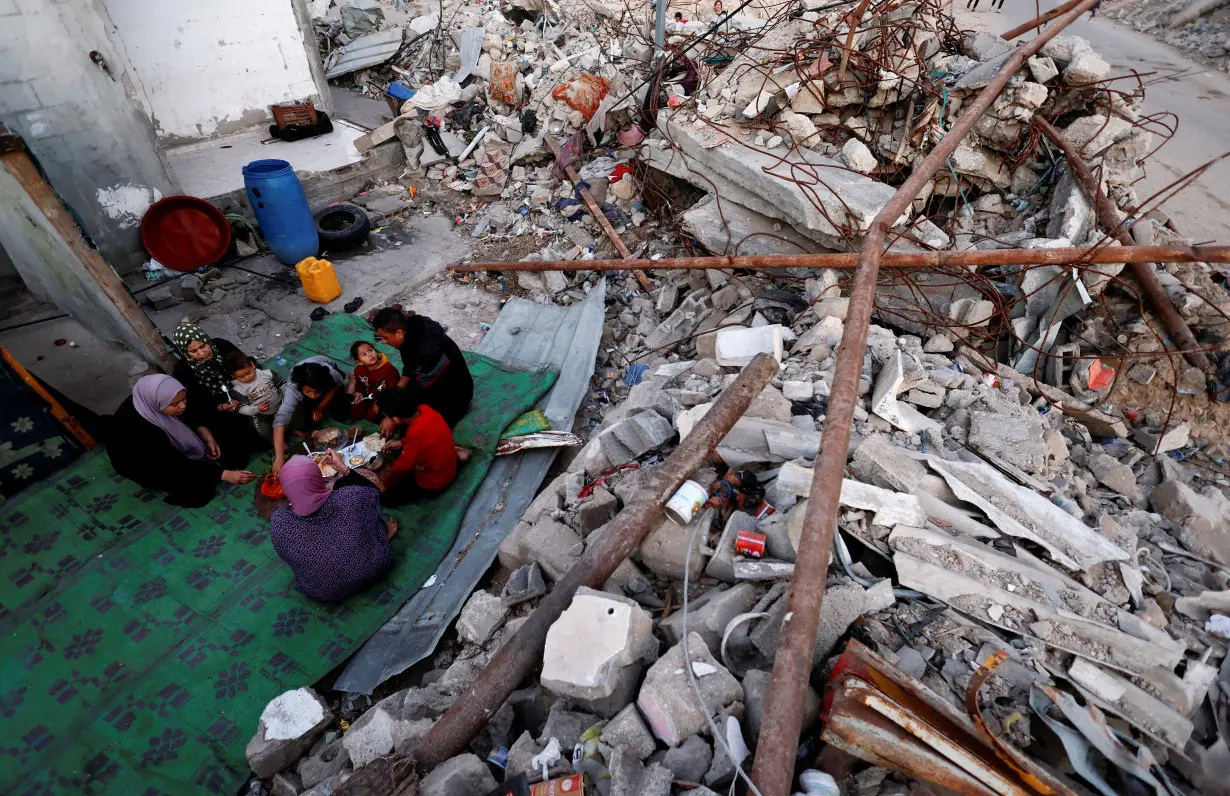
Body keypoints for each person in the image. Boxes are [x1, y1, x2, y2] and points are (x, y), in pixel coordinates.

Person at [108, 374, 256, 507]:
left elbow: (191, 412)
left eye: (184, 399)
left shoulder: (164, 396)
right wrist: (224, 475)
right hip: (146, 463)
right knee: (198, 492)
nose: (183, 405)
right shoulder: (138, 430)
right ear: (157, 404)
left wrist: (206, 434)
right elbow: (174, 464)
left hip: (168, 445)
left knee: (229, 439)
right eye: (175, 404)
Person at [271, 452, 399, 602]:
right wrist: (344, 469)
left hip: (323, 592)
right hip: (375, 567)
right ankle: (383, 533)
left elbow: (290, 558)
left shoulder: (279, 523)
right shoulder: (350, 497)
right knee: (369, 516)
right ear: (318, 479)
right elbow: (374, 493)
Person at [169, 322, 268, 457]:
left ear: (206, 340)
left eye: (202, 346)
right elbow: (195, 407)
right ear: (185, 353)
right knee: (234, 448)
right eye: (193, 351)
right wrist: (220, 407)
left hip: (244, 388)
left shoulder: (222, 346)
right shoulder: (184, 371)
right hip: (216, 408)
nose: (201, 353)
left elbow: (246, 366)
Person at [372, 308, 474, 429]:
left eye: (385, 337)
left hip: (454, 396)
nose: (383, 342)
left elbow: (425, 391)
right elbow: (409, 366)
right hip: (430, 382)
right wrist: (396, 393)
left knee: (410, 426)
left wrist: (394, 417)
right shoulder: (410, 327)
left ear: (398, 333)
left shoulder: (427, 352)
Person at [375, 386, 467, 506]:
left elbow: (402, 467)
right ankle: (457, 454)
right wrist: (401, 443)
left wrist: (385, 482)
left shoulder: (414, 435)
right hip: (444, 461)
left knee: (385, 498)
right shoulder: (425, 409)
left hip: (437, 480)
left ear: (396, 419)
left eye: (387, 417)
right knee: (405, 447)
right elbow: (424, 435)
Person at [271, 356, 349, 476]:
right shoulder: (293, 387)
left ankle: (351, 382)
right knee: (306, 422)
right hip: (307, 382)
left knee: (342, 413)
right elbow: (280, 420)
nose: (313, 396)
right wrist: (279, 457)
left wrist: (321, 407)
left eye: (317, 392)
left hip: (328, 368)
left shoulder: (331, 375)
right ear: (301, 389)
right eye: (308, 392)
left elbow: (336, 386)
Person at [223, 350, 283, 442]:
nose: (247, 377)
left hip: (280, 404)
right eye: (241, 377)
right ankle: (278, 443)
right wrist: (256, 409)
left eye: (248, 373)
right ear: (234, 376)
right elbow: (241, 408)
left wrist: (286, 399)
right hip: (260, 415)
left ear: (252, 365)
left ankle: (296, 430)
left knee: (294, 414)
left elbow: (282, 384)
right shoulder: (238, 390)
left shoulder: (267, 374)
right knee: (263, 431)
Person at [346, 340, 400, 421]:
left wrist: (378, 405)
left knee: (371, 417)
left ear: (376, 351)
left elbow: (393, 392)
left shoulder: (389, 370)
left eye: (370, 350)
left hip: (384, 399)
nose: (370, 355)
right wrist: (358, 393)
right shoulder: (359, 370)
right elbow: (359, 384)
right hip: (369, 396)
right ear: (359, 361)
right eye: (364, 354)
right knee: (355, 413)